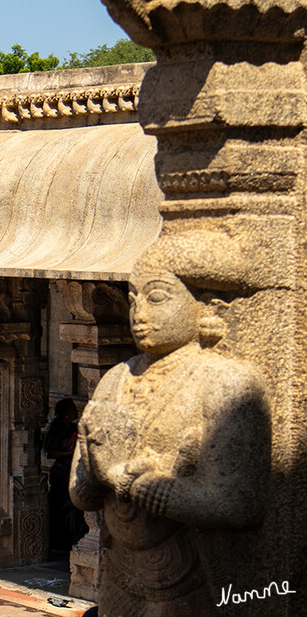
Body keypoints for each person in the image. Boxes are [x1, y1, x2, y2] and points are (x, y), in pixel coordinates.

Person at [70, 235, 269, 614]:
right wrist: (99, 466)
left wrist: (137, 482)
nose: (138, 313)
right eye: (133, 300)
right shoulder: (117, 378)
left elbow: (238, 503)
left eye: (156, 298)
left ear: (203, 306)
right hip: (119, 573)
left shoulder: (227, 383)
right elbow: (82, 494)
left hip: (195, 578)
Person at [44, 398, 86, 552]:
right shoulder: (56, 428)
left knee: (74, 506)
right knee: (61, 504)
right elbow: (50, 452)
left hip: (73, 469)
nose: (76, 411)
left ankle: (74, 537)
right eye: (72, 409)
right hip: (62, 471)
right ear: (66, 413)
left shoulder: (74, 427)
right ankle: (59, 542)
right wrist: (69, 452)